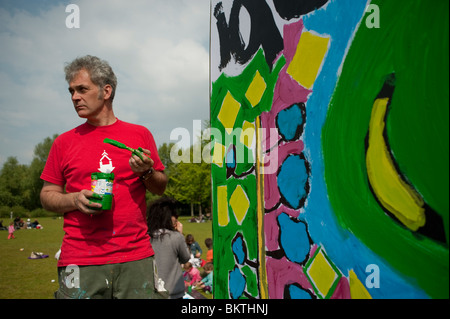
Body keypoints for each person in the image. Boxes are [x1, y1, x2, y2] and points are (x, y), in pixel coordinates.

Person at [40, 55, 168, 299]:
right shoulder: (63, 142)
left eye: (82, 89)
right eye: (71, 91)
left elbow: (160, 187)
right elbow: (47, 196)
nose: (74, 97)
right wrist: (74, 200)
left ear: (106, 90)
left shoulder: (139, 135)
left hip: (135, 257)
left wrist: (147, 172)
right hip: (79, 259)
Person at [147, 197, 191, 299]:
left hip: (151, 292)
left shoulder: (146, 236)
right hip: (173, 292)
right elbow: (185, 258)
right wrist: (179, 234)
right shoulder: (175, 237)